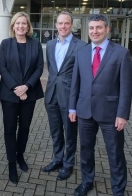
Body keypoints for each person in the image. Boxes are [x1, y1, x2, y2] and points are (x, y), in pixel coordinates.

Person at [68, 14, 132, 196]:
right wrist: (72, 107)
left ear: (107, 29)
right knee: (86, 150)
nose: (94, 31)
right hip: (85, 111)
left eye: (98, 27)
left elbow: (126, 87)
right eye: (91, 28)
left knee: (115, 153)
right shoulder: (81, 52)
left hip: (111, 113)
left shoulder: (121, 53)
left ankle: (118, 189)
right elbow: (76, 82)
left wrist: (122, 114)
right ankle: (86, 181)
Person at [0, 12, 44, 184]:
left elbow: (39, 67)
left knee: (24, 128)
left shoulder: (35, 44)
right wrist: (16, 88)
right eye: (18, 23)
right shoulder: (5, 44)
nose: (21, 26)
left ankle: (20, 156)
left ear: (28, 26)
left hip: (29, 93)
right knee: (10, 129)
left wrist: (27, 86)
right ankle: (11, 163)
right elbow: (2, 67)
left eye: (24, 23)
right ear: (13, 26)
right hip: (10, 94)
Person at [43, 12, 86, 180]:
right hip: (51, 95)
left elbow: (82, 75)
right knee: (55, 132)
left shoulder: (81, 46)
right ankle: (58, 159)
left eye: (66, 23)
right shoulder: (51, 44)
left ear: (72, 25)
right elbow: (53, 71)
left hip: (69, 98)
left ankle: (68, 164)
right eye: (60, 23)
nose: (63, 26)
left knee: (69, 133)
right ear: (56, 25)